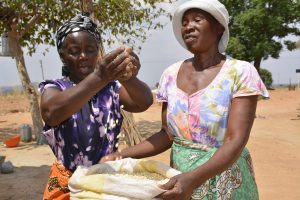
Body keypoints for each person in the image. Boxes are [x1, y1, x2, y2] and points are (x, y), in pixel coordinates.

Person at [101, 0, 269, 199]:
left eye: (197, 20)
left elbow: (235, 141)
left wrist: (193, 179)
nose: (188, 26)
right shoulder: (170, 75)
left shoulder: (240, 72)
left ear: (218, 27)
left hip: (226, 183)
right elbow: (167, 134)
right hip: (180, 182)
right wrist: (121, 155)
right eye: (185, 22)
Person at [39, 13, 153, 200]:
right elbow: (51, 113)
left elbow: (144, 103)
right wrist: (99, 77)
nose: (83, 56)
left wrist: (130, 78)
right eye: (74, 51)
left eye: (90, 50)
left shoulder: (111, 88)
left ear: (98, 51)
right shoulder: (54, 87)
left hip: (105, 178)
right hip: (67, 182)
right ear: (62, 56)